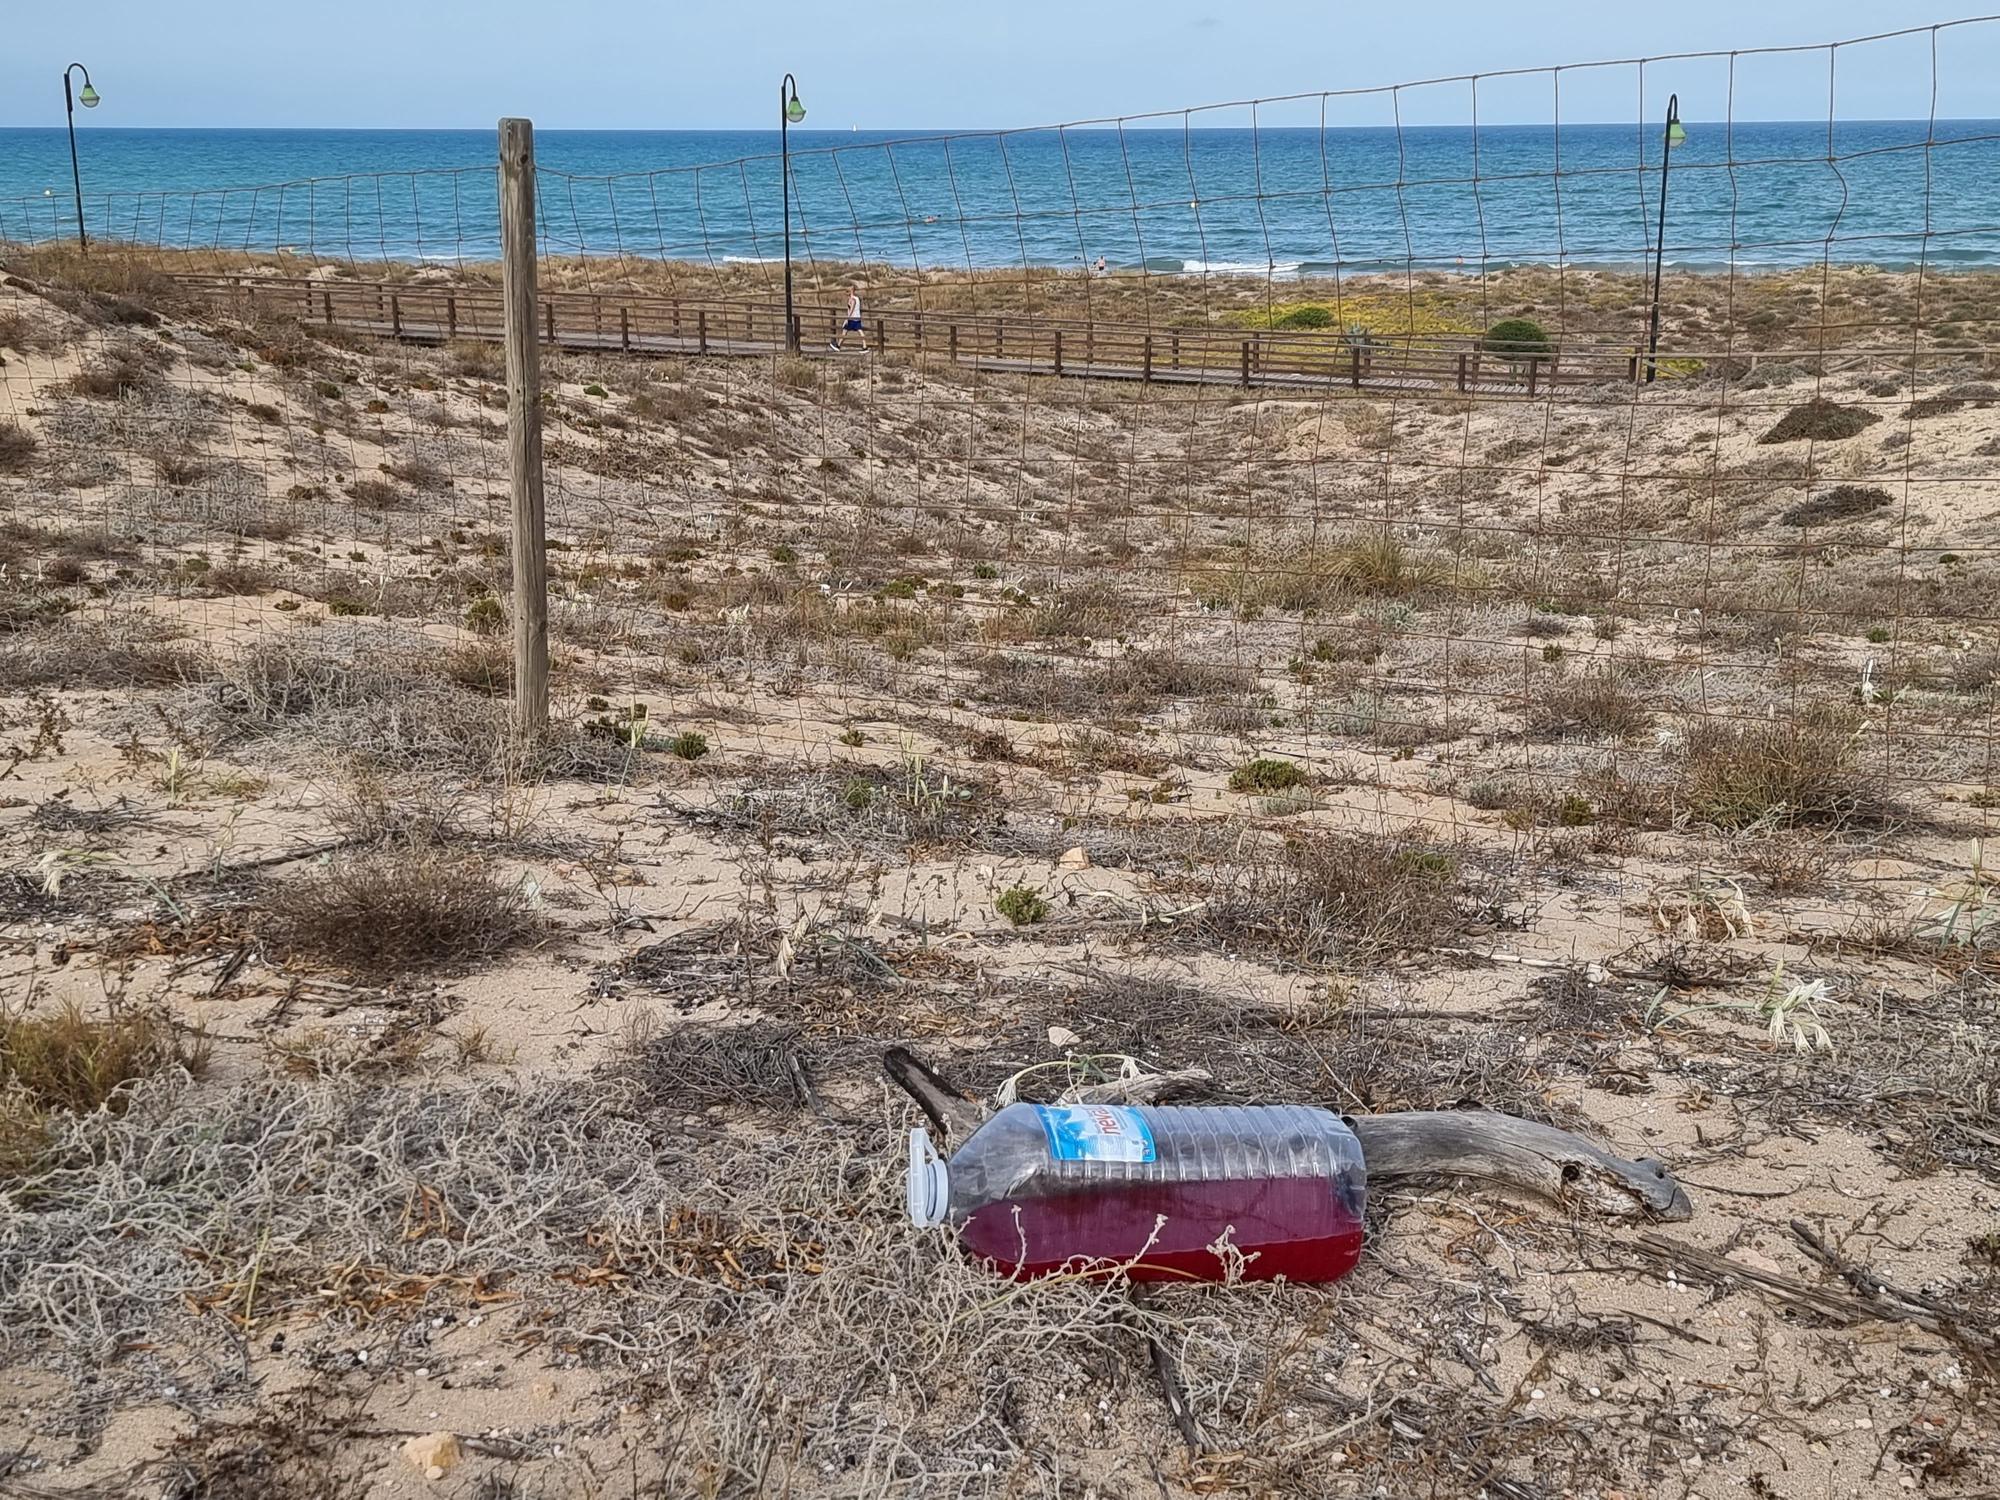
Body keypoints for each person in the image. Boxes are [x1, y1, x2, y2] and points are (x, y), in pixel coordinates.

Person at [830, 284, 866, 351]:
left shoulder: (852, 299)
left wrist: (847, 319)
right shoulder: (857, 298)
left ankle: (838, 346)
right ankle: (864, 346)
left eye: (847, 291)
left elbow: (851, 310)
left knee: (845, 331)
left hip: (852, 318)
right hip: (857, 317)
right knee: (858, 331)